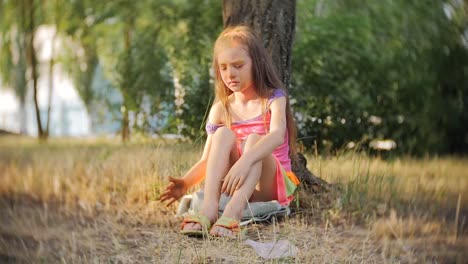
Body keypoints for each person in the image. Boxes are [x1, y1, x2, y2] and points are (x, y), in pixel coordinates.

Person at [160, 25, 300, 238]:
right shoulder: (221, 108)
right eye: (223, 67)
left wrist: (245, 161)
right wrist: (186, 182)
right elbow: (209, 160)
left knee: (253, 140)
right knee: (222, 135)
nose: (230, 73)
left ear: (257, 63)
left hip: (271, 184)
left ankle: (233, 214)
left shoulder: (273, 98)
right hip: (238, 182)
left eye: (238, 65)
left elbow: (277, 135)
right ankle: (209, 209)